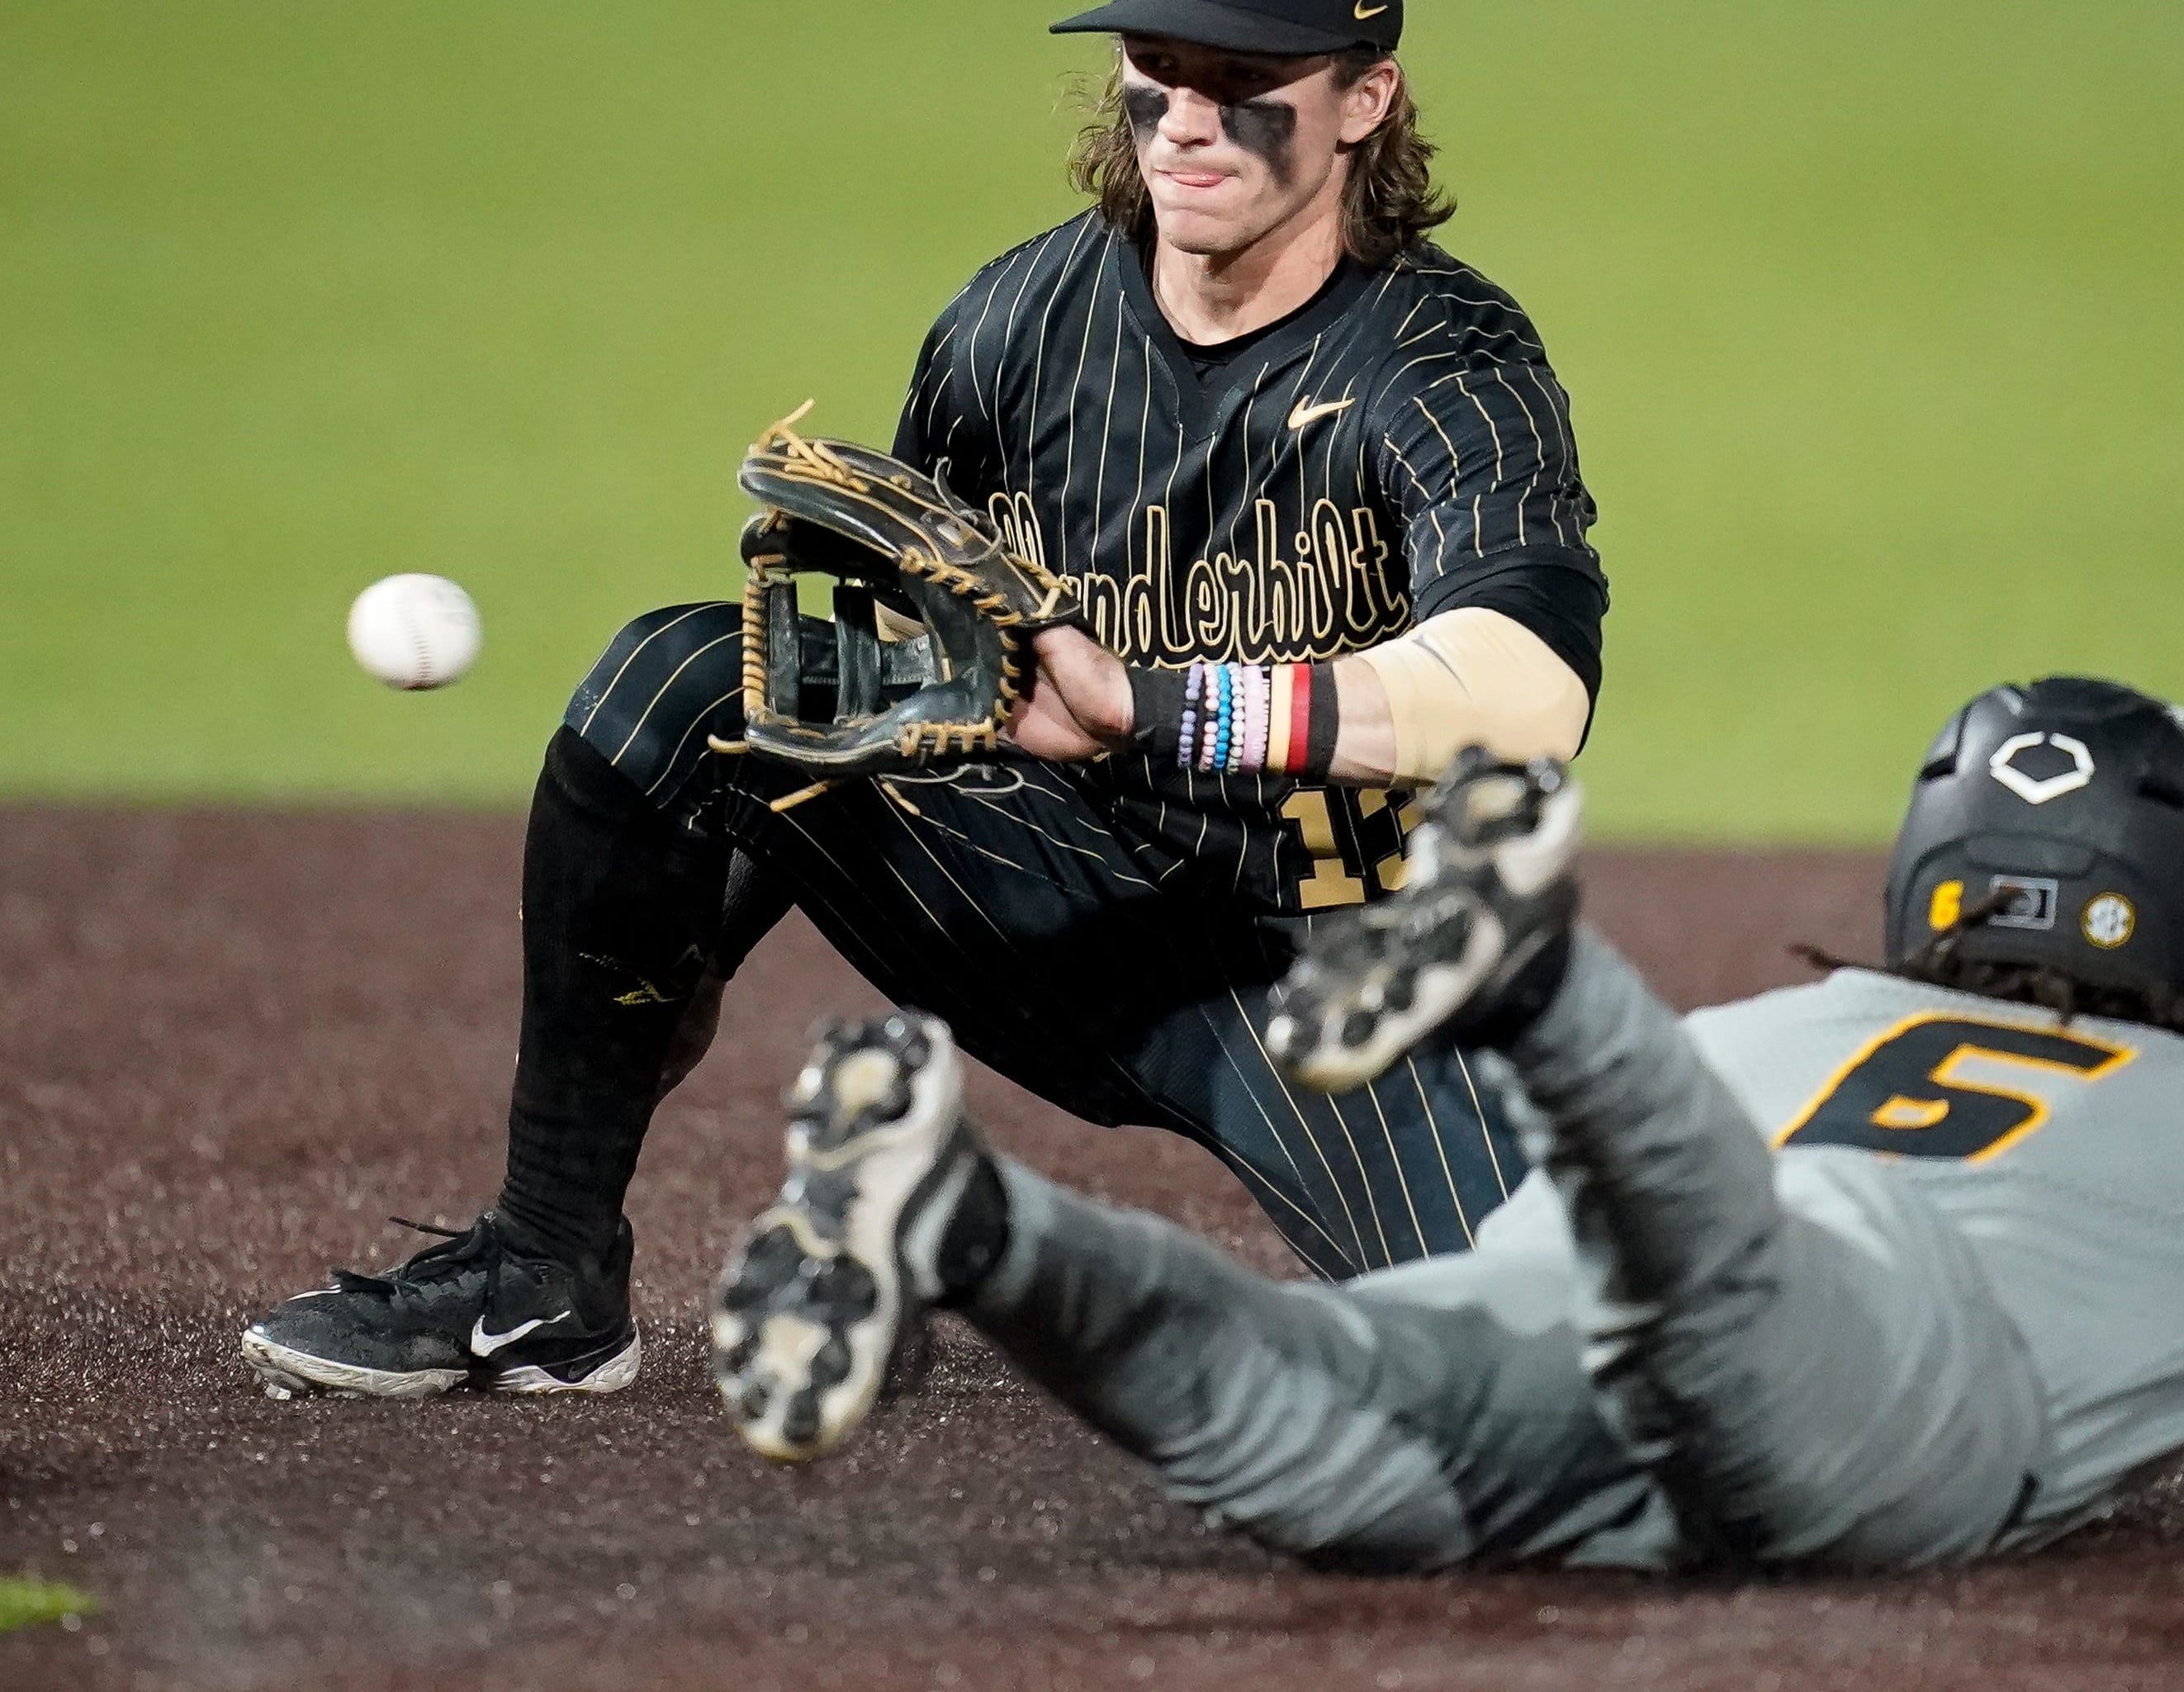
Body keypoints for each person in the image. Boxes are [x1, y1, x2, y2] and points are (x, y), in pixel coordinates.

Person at [243, 0, 1608, 1401]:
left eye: (1247, 81)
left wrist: (1152, 705)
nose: (1188, 119)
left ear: (1365, 99)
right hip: (1056, 903)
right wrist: (703, 938)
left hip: (1330, 979)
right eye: (1159, 72)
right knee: (683, 674)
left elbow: (1527, 691)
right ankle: (544, 1271)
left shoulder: (1449, 364)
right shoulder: (1016, 322)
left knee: (1568, 1376)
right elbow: (874, 695)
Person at [705, 681, 2184, 1571]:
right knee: (1726, 1300)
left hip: (1558, 1280)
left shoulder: (1769, 1022)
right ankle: (1535, 984)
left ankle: (985, 1226)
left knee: (1326, 1423)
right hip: (1895, 1369)